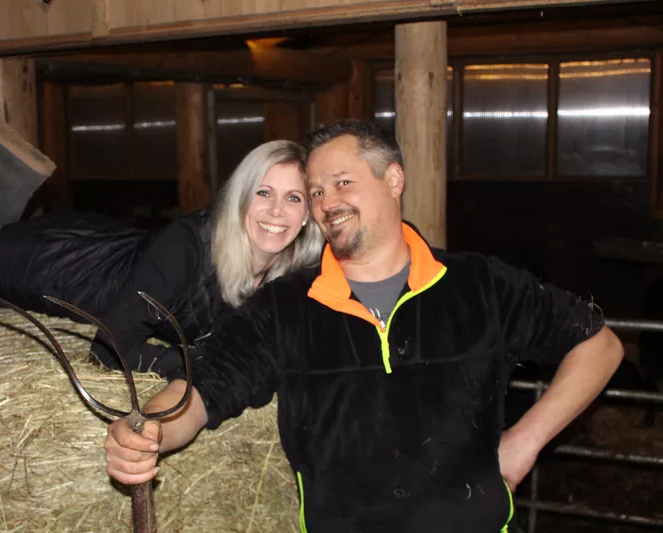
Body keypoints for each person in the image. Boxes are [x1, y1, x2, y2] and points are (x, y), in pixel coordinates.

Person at [104, 119, 625, 532]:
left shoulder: (479, 285)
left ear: (393, 179)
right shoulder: (285, 307)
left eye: (343, 182)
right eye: (315, 192)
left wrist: (525, 440)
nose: (327, 202)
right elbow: (201, 390)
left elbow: (598, 345)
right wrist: (149, 430)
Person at [0, 114, 324, 376]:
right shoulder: (189, 247)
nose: (276, 212)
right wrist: (198, 364)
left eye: (293, 198)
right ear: (239, 197)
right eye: (263, 193)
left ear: (307, 214)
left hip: (106, 243)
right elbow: (109, 350)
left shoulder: (295, 269)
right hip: (57, 272)